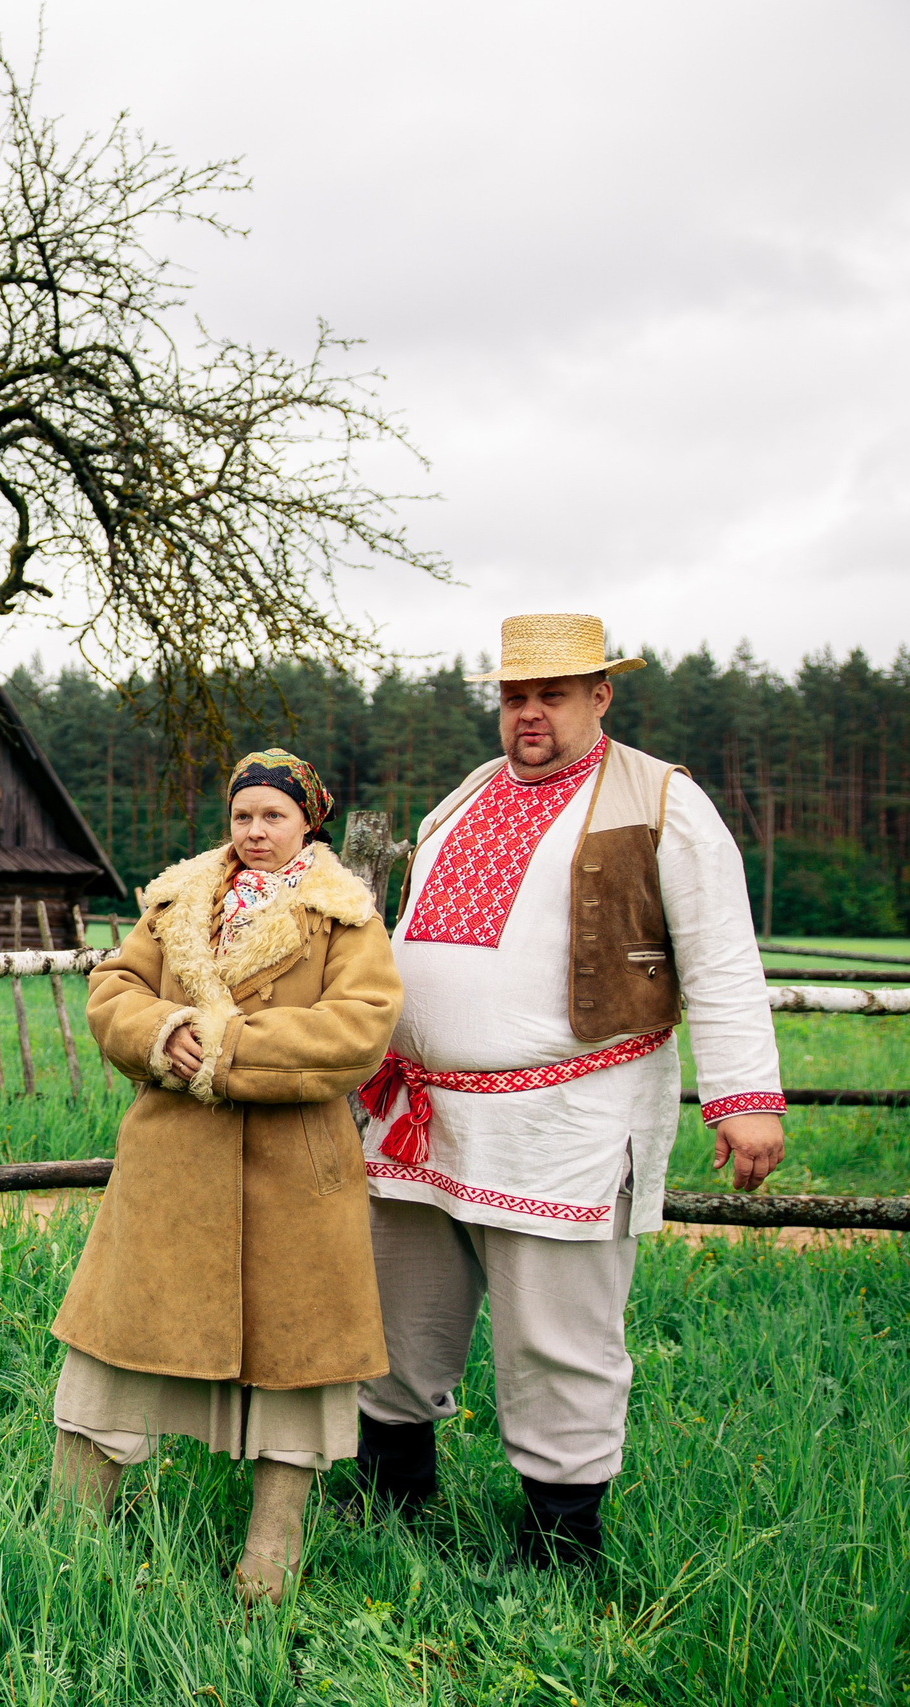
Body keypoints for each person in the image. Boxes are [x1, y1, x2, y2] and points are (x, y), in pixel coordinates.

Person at [352, 613, 786, 1565]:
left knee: (557, 1332)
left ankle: (559, 1547)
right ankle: (389, 1505)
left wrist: (745, 1095)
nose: (530, 714)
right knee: (394, 1316)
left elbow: (719, 955)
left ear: (601, 694)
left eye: (551, 694)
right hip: (420, 1120)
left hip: (567, 1123)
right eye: (515, 696)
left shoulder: (663, 801)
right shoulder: (464, 796)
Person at [48, 748, 403, 1606]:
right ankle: (65, 1536)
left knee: (296, 1358)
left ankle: (267, 1562)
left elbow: (360, 1027)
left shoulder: (343, 917)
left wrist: (230, 1048)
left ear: (307, 821)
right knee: (117, 1341)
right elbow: (114, 988)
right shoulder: (178, 899)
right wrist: (163, 1028)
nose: (254, 831)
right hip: (172, 1165)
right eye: (243, 815)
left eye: (272, 816)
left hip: (295, 1174)